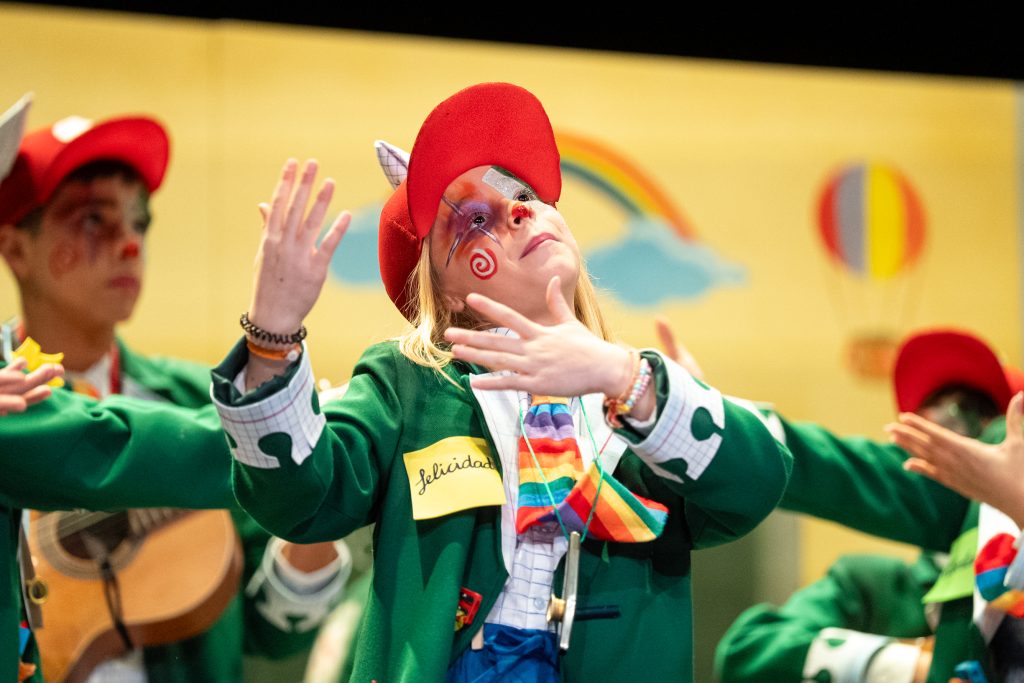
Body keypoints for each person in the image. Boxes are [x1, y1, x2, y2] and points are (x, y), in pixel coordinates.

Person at [206, 82, 793, 682]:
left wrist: (627, 378)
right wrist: (272, 339)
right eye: (477, 219)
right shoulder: (408, 387)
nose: (520, 209)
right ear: (447, 294)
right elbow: (300, 500)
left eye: (526, 194)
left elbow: (757, 487)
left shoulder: (638, 396)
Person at [0, 112, 349, 681]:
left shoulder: (198, 397)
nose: (130, 244)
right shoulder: (223, 412)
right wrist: (269, 422)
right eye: (92, 220)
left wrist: (317, 510)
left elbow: (271, 631)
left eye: (139, 222)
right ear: (16, 248)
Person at [712, 328, 1021, 682]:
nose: (942, 432)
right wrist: (907, 665)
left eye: (970, 410)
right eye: (925, 417)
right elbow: (745, 652)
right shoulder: (873, 587)